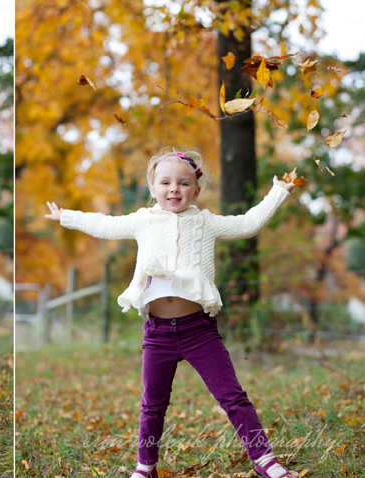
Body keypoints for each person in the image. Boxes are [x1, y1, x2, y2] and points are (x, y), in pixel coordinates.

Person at [45, 148, 298, 478]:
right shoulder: (143, 221)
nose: (174, 189)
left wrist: (278, 192)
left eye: (183, 183)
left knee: (233, 397)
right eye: (165, 182)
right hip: (158, 333)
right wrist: (67, 217)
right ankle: (145, 466)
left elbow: (248, 224)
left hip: (199, 332)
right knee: (152, 404)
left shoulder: (206, 223)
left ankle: (266, 461)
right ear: (152, 188)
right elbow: (104, 224)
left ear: (197, 189)